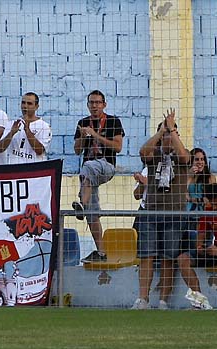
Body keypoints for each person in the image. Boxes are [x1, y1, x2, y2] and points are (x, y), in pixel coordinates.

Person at [133, 110, 191, 310]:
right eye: (164, 134)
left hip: (174, 214)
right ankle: (143, 298)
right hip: (151, 212)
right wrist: (160, 132)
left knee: (168, 257)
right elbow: (142, 152)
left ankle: (163, 300)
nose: (167, 137)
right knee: (146, 256)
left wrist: (172, 129)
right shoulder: (153, 156)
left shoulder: (183, 155)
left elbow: (184, 156)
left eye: (170, 134)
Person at [72, 90, 125, 263]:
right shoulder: (83, 123)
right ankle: (101, 252)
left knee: (87, 166)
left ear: (104, 104)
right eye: (91, 103)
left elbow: (118, 147)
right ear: (88, 105)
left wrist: (95, 135)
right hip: (89, 173)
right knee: (91, 213)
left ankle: (82, 201)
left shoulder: (113, 122)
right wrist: (82, 136)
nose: (94, 106)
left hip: (106, 165)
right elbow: (77, 150)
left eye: (98, 102)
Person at [0, 92, 52, 164]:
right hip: (15, 170)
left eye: (29, 103)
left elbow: (40, 151)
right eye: (23, 103)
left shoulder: (44, 127)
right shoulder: (12, 124)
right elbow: (0, 149)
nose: (25, 106)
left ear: (36, 107)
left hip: (34, 170)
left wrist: (27, 131)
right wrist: (11, 133)